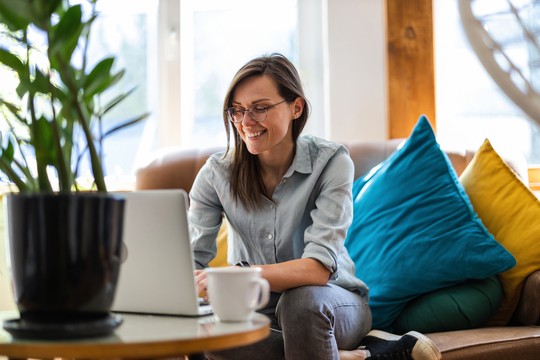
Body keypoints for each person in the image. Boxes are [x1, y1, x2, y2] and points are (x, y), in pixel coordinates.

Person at [189, 53, 441, 360]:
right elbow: (191, 260)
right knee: (209, 337)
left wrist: (241, 275)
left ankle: (331, 346)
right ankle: (360, 354)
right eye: (237, 111)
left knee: (300, 303)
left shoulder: (332, 162)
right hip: (255, 310)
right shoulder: (217, 174)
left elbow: (317, 269)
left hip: (332, 303)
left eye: (260, 108)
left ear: (296, 107)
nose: (246, 122)